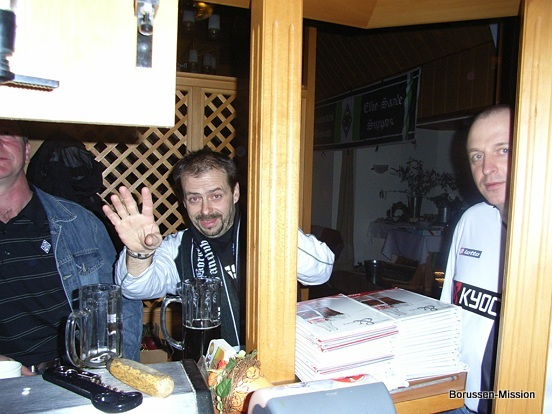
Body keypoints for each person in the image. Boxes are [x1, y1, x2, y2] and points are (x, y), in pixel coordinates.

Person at [103, 148, 334, 348]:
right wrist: (139, 253)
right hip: (211, 370)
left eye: (215, 195)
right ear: (184, 202)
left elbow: (321, 271)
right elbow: (134, 289)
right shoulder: (179, 247)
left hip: (275, 359)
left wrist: (275, 225)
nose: (205, 210)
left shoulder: (265, 230)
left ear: (235, 193)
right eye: (194, 199)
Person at [0, 120, 142, 375]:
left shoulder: (81, 223)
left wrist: (119, 376)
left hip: (74, 379)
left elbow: (123, 308)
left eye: (6, 133)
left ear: (27, 151)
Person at [440, 104, 512, 413]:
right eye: (477, 156)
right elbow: (450, 312)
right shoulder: (471, 220)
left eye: (503, 150)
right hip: (460, 400)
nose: (487, 168)